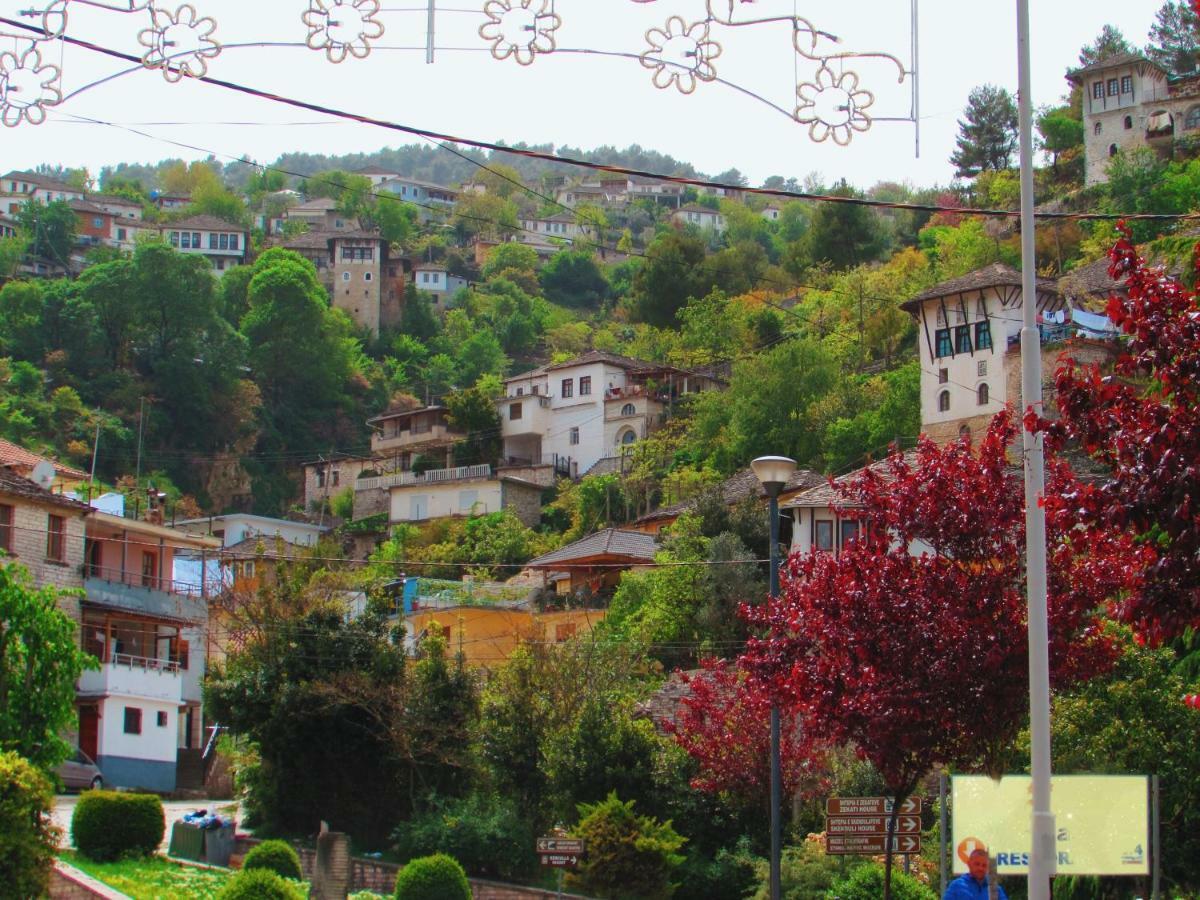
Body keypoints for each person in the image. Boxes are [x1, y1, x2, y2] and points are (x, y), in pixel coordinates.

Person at [944, 848, 1008, 900]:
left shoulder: (995, 889)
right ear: (969, 864)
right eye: (977, 864)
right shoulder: (956, 886)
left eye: (984, 865)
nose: (980, 868)